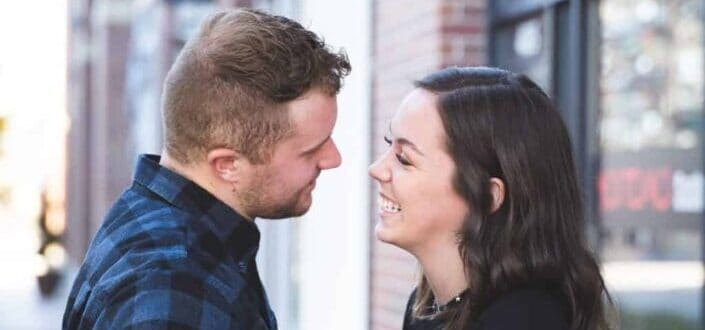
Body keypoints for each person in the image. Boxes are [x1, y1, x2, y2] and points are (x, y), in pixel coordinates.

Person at [63, 8, 350, 329]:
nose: (333, 158)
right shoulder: (174, 291)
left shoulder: (172, 232)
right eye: (311, 150)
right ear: (227, 165)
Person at [369, 67, 613, 330]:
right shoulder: (424, 307)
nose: (376, 169)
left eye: (404, 159)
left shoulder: (525, 320)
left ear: (487, 197)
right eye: (388, 143)